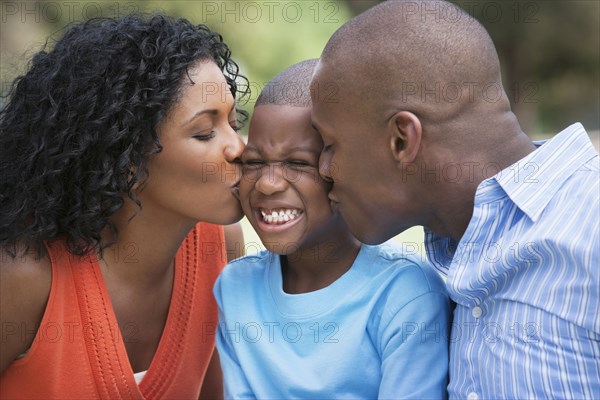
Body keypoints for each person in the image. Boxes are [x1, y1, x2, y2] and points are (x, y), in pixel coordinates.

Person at [310, 1, 600, 399]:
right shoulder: (435, 267)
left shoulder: (591, 225)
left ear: (401, 140)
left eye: (329, 144)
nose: (323, 168)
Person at [0, 14, 248, 398]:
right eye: (205, 133)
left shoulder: (219, 245)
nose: (239, 149)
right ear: (124, 155)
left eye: (233, 122)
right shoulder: (24, 274)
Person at [214, 59, 450, 399]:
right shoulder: (235, 287)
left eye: (298, 163)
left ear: (342, 170)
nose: (266, 184)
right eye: (253, 162)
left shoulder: (405, 292)